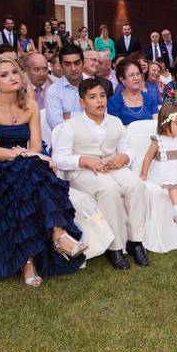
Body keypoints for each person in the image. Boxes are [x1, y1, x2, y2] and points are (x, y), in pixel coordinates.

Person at [0, 56, 87, 286]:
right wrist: (22, 154)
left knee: (28, 172)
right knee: (26, 174)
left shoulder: (30, 105)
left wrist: (29, 155)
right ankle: (46, 245)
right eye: (4, 75)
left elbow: (35, 146)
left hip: (21, 163)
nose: (13, 78)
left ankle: (41, 250)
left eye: (15, 72)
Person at [53, 78, 150, 270]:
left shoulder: (115, 122)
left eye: (103, 96)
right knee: (109, 190)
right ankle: (114, 247)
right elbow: (59, 159)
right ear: (82, 102)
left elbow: (128, 150)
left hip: (114, 167)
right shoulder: (70, 125)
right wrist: (83, 160)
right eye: (92, 97)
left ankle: (135, 241)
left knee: (136, 185)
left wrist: (124, 158)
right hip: (83, 172)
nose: (99, 101)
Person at [107, 59, 160, 126]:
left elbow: (156, 123)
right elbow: (114, 128)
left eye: (138, 74)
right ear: (122, 79)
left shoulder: (148, 98)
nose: (136, 78)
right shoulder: (114, 102)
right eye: (131, 75)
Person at [45, 45, 85, 129]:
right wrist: (88, 117)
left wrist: (69, 116)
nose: (73, 68)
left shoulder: (94, 85)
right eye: (68, 64)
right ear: (61, 66)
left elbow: (101, 117)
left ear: (83, 63)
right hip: (66, 140)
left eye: (77, 63)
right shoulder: (53, 91)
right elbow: (57, 126)